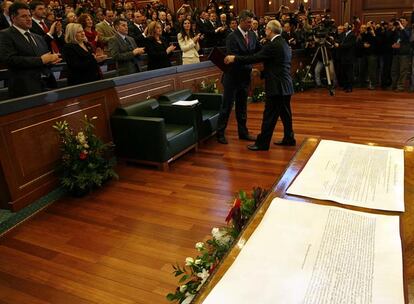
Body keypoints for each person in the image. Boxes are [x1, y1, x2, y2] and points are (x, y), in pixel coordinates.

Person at [224, 20, 295, 151]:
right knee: (285, 114)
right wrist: (261, 73)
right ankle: (289, 138)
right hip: (285, 85)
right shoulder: (283, 43)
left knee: (269, 116)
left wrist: (235, 58)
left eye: (266, 29)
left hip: (276, 87)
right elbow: (277, 65)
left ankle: (262, 143)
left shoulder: (273, 44)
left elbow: (255, 57)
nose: (265, 31)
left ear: (270, 30)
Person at [216, 10, 260, 144]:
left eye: (251, 22)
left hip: (244, 79)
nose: (250, 25)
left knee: (242, 107)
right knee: (227, 107)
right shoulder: (231, 37)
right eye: (248, 22)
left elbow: (258, 51)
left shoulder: (252, 35)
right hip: (232, 78)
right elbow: (233, 59)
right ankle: (220, 133)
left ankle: (243, 133)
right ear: (241, 21)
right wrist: (250, 68)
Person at [0, 2, 61, 98]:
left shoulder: (38, 37)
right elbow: (9, 59)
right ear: (13, 18)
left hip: (46, 85)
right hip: (24, 89)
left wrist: (50, 61)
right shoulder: (5, 35)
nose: (29, 19)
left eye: (29, 15)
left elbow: (42, 60)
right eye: (24, 16)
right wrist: (41, 60)